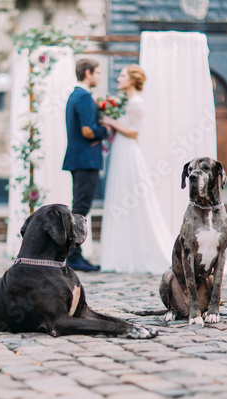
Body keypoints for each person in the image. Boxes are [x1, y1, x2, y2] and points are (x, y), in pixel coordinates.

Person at [100, 64, 173, 273]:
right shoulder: (124, 101)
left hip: (129, 150)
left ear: (132, 80)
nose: (118, 79)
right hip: (120, 150)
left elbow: (134, 132)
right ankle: (119, 252)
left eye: (122, 76)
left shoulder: (137, 102)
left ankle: (137, 252)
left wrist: (112, 122)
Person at [63, 58, 109, 272]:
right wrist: (105, 130)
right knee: (81, 208)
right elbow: (88, 131)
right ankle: (73, 255)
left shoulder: (77, 95)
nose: (99, 77)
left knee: (80, 206)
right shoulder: (83, 97)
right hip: (85, 160)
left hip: (80, 158)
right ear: (88, 73)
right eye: (97, 72)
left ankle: (73, 254)